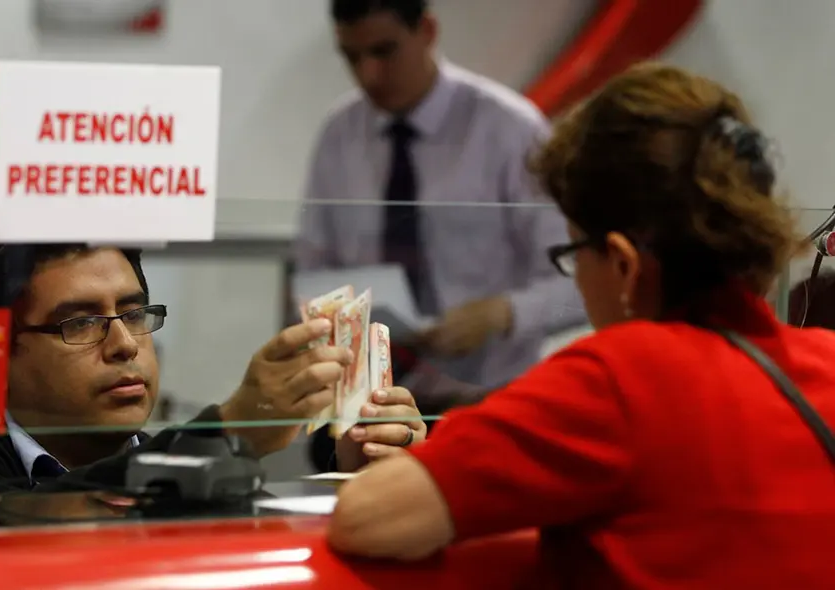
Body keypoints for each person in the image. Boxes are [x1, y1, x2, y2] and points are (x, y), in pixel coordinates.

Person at [327, 63, 835, 588]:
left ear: (623, 265)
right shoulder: (827, 361)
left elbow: (365, 519)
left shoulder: (618, 379)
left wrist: (430, 465)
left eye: (572, 254)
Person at [0, 244, 426, 525]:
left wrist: (364, 488)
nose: (124, 344)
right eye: (81, 323)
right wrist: (229, 432)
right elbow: (20, 526)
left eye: (135, 314)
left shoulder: (203, 478)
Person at [295, 0, 584, 414]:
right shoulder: (339, 135)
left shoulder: (509, 129)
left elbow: (577, 281)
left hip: (488, 402)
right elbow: (313, 272)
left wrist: (503, 314)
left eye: (383, 51)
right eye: (351, 57)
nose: (367, 74)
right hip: (366, 400)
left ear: (427, 31)